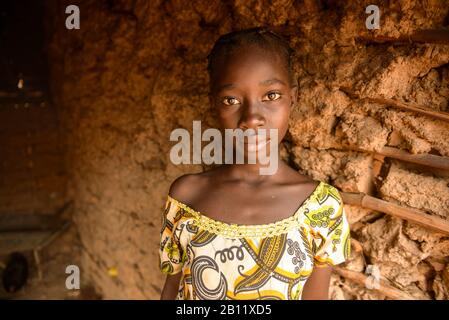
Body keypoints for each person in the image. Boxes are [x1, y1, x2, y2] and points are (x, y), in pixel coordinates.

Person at [159, 27, 351, 300]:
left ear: (293, 98)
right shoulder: (186, 197)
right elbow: (172, 290)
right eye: (231, 100)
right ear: (215, 105)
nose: (251, 117)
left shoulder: (320, 208)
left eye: (271, 95)